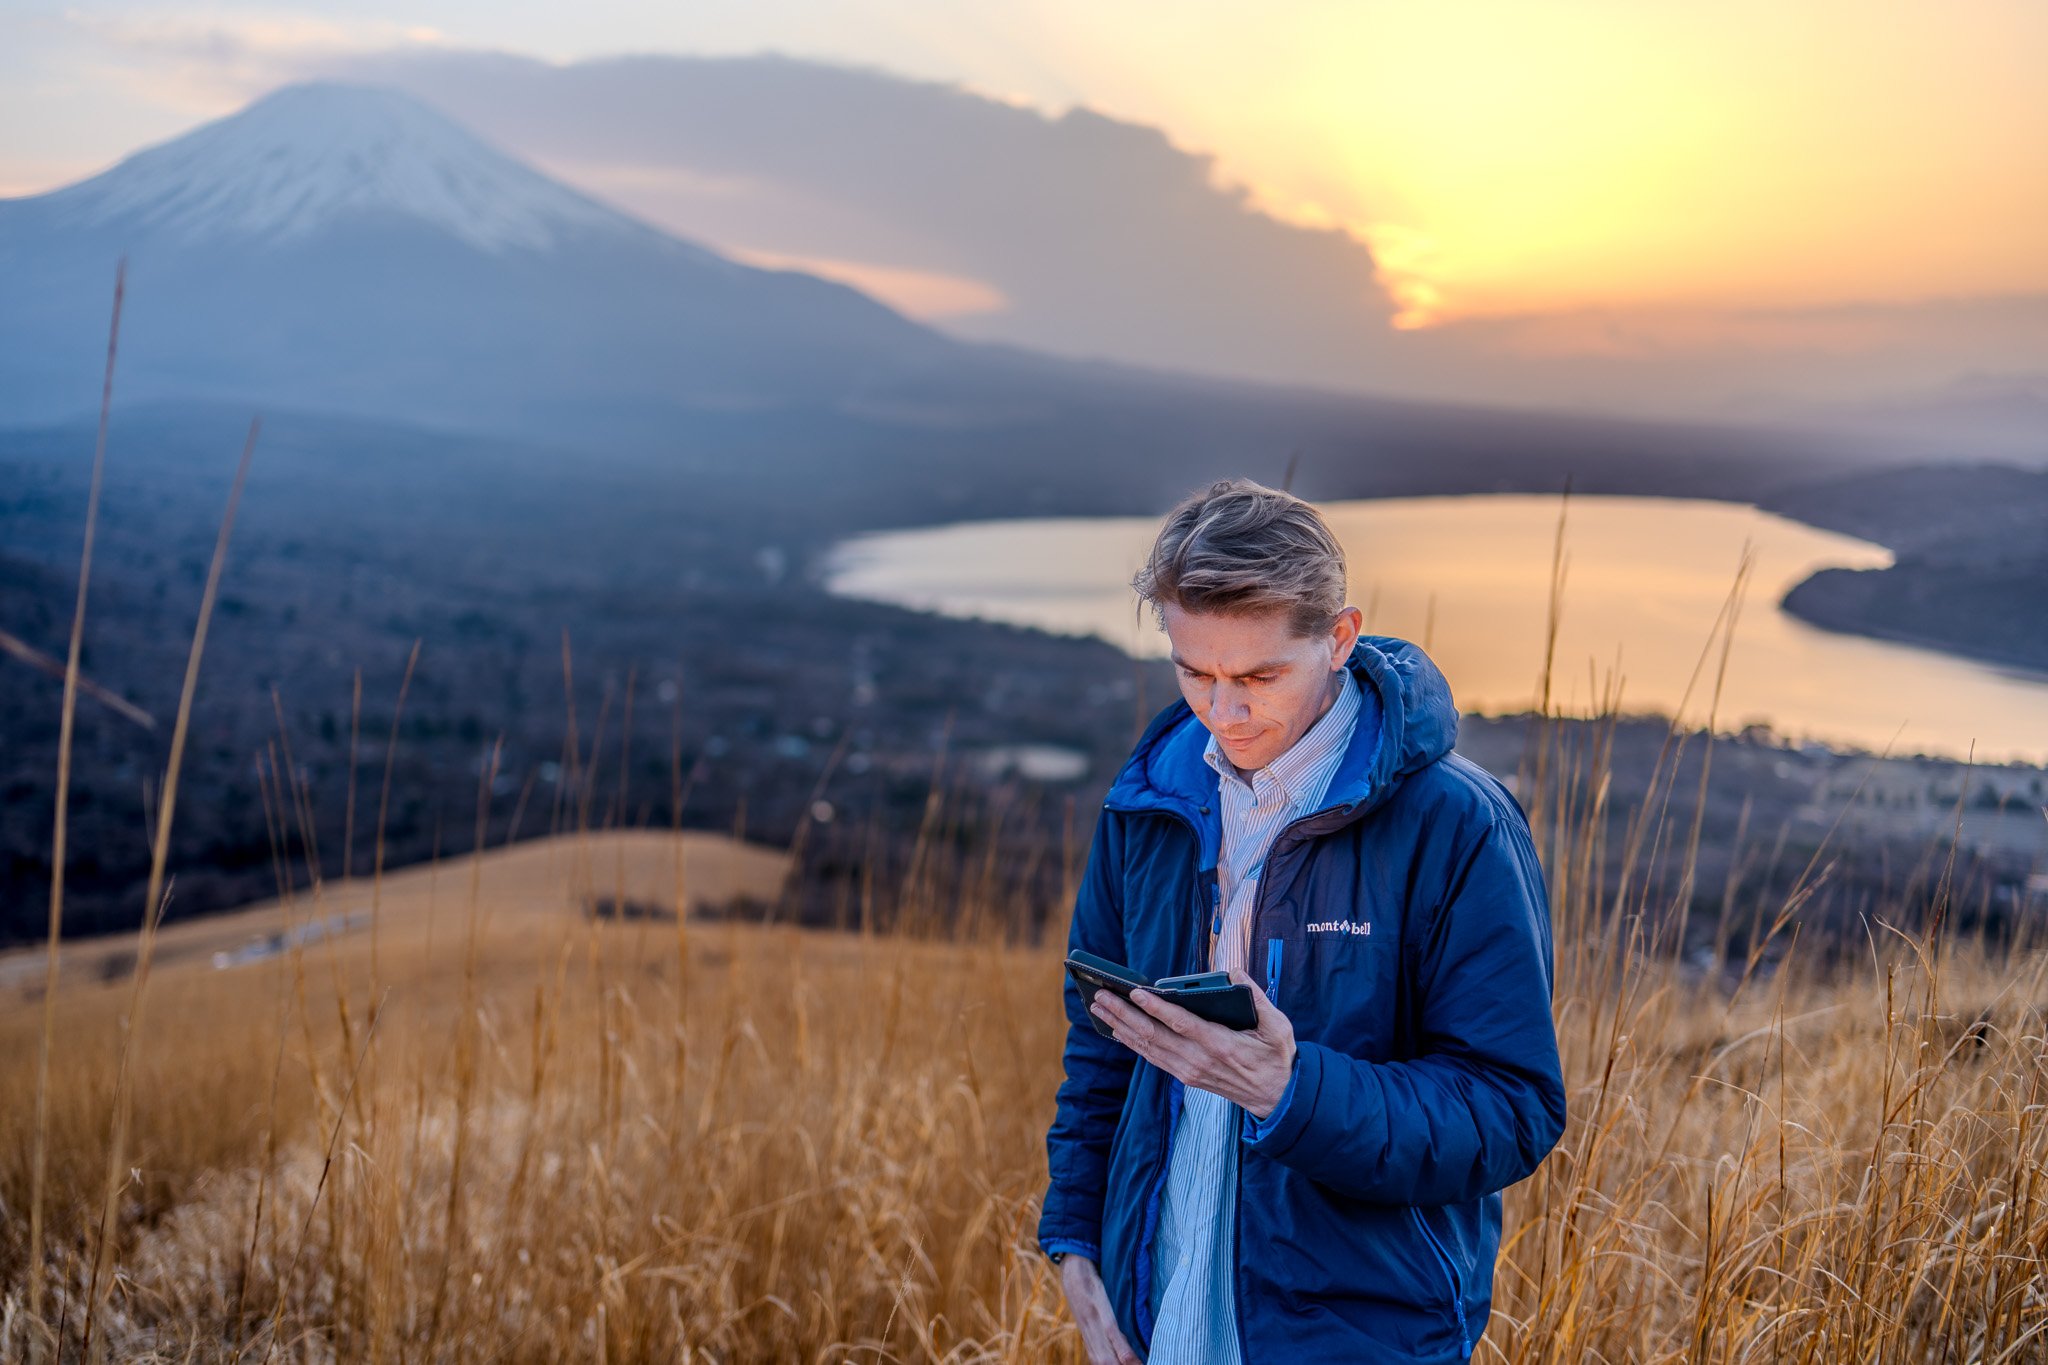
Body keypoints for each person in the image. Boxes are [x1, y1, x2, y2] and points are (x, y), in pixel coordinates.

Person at [1038, 479, 1567, 1364]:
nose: (1224, 710)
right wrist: (1078, 1247)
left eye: (1259, 675)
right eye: (1194, 671)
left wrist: (1293, 1092)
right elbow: (1101, 1050)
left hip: (1356, 1335)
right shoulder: (1148, 801)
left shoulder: (1456, 823)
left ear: (1340, 638)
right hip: (1156, 1322)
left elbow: (1511, 1108)